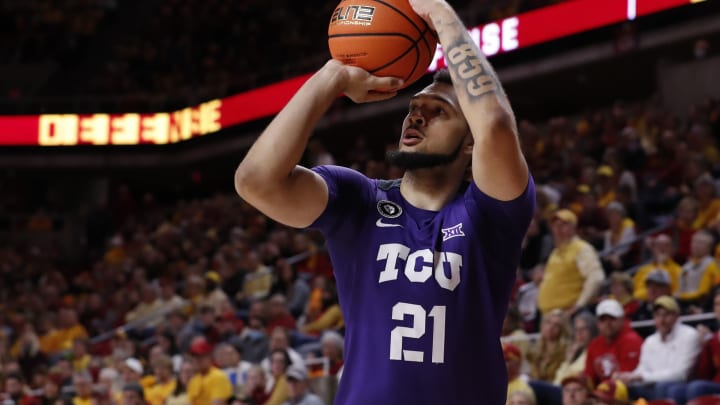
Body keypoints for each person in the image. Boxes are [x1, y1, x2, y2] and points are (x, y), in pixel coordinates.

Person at [234, 0, 534, 404]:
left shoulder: (490, 213)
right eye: (414, 108)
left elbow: (495, 124)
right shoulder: (359, 199)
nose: (416, 117)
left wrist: (439, 14)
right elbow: (255, 181)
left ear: (470, 145)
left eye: (438, 111)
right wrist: (332, 75)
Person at [614, 296, 701, 400]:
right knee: (619, 388)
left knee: (663, 387)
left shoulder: (689, 335)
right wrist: (626, 376)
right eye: (658, 315)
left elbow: (680, 375)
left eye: (666, 314)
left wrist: (642, 377)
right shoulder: (650, 341)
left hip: (680, 386)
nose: (662, 319)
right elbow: (642, 369)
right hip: (652, 385)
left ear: (676, 316)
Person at [537, 209, 605, 315]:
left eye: (563, 225)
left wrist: (579, 305)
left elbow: (596, 278)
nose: (558, 229)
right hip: (550, 315)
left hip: (567, 314)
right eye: (555, 226)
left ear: (573, 227)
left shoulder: (581, 248)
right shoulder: (555, 252)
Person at [585, 299, 643, 386]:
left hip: (626, 390)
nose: (607, 323)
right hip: (602, 392)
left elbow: (626, 378)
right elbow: (589, 376)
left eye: (612, 318)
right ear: (598, 323)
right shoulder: (595, 344)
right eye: (603, 320)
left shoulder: (632, 341)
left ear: (622, 319)